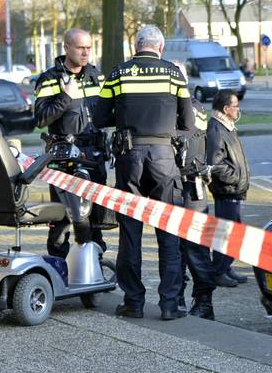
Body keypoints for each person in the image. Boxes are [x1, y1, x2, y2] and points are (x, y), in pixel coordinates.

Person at [92, 24, 193, 321]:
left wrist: (125, 116)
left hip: (129, 156)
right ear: (160, 48)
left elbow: (99, 117)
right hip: (164, 157)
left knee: (131, 232)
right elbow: (188, 122)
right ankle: (170, 304)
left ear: (136, 46)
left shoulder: (118, 73)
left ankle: (133, 302)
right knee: (168, 232)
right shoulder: (174, 75)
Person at [34, 28, 110, 259]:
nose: (86, 52)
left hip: (94, 155)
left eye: (89, 47)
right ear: (66, 48)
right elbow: (41, 119)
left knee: (95, 216)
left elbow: (107, 112)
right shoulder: (49, 79)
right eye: (80, 48)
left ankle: (93, 266)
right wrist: (65, 96)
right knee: (62, 218)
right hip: (64, 157)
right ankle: (59, 266)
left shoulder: (97, 76)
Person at [175, 97, 217, 320]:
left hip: (191, 185)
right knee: (174, 247)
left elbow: (186, 138)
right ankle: (177, 296)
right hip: (173, 184)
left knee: (196, 247)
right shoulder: (172, 104)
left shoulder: (191, 107)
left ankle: (204, 302)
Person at [206, 90, 250, 288]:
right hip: (227, 190)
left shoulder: (228, 126)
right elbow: (214, 162)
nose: (238, 109)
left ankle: (226, 265)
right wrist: (234, 177)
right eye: (236, 106)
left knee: (235, 229)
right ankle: (218, 270)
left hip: (234, 189)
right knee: (226, 230)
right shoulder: (216, 128)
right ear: (226, 109)